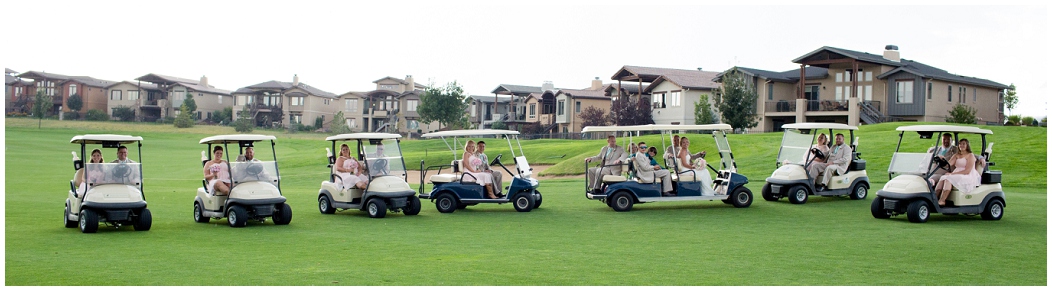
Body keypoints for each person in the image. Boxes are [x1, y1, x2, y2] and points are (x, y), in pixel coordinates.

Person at [935, 139, 980, 206]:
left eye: (963, 144)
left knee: (948, 178)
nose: (961, 145)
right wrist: (941, 160)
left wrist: (952, 174)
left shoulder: (970, 155)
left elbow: (967, 171)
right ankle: (934, 198)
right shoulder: (956, 155)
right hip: (958, 174)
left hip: (967, 175)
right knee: (943, 177)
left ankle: (942, 200)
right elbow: (948, 164)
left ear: (967, 145)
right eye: (960, 144)